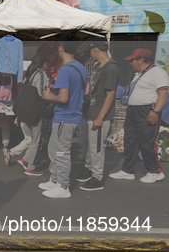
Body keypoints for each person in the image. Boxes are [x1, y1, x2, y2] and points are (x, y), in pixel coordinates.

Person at [109, 48, 168, 183]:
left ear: (141, 60)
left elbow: (163, 94)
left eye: (132, 60)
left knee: (147, 142)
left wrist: (156, 112)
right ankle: (127, 170)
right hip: (133, 111)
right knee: (130, 141)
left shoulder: (157, 72)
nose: (130, 63)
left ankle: (155, 171)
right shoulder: (139, 74)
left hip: (147, 111)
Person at [41, 35, 87, 198]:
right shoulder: (80, 68)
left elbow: (63, 98)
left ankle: (63, 186)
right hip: (73, 116)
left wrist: (49, 96)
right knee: (54, 149)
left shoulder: (64, 70)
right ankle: (55, 180)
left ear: (60, 49)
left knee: (60, 153)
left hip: (64, 117)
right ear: (77, 50)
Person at [76, 42, 120, 191]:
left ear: (96, 50)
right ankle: (90, 167)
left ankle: (98, 177)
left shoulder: (111, 67)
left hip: (100, 115)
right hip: (89, 112)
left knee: (96, 147)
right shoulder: (96, 66)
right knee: (87, 144)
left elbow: (110, 94)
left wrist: (101, 116)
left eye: (90, 51)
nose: (89, 54)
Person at [4, 54, 49, 175]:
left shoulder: (29, 75)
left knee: (30, 139)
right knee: (37, 140)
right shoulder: (41, 75)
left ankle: (25, 159)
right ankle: (31, 166)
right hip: (35, 111)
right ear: (44, 64)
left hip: (25, 112)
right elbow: (41, 93)